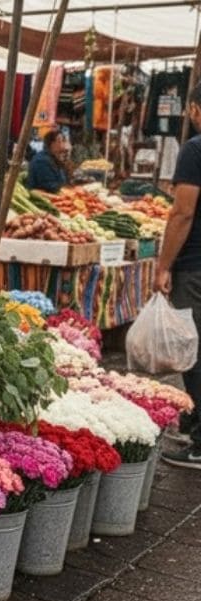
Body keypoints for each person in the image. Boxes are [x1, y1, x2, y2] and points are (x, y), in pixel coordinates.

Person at [155, 83, 201, 468]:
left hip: (196, 265)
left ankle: (200, 442)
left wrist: (163, 265)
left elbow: (182, 212)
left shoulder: (195, 149)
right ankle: (194, 419)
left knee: (194, 350)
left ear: (195, 110)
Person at [26, 129, 72, 193]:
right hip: (45, 197)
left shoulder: (54, 157)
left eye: (63, 141)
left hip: (58, 193)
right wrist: (68, 190)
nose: (63, 145)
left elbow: (62, 180)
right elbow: (48, 186)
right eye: (60, 141)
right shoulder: (41, 161)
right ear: (52, 144)